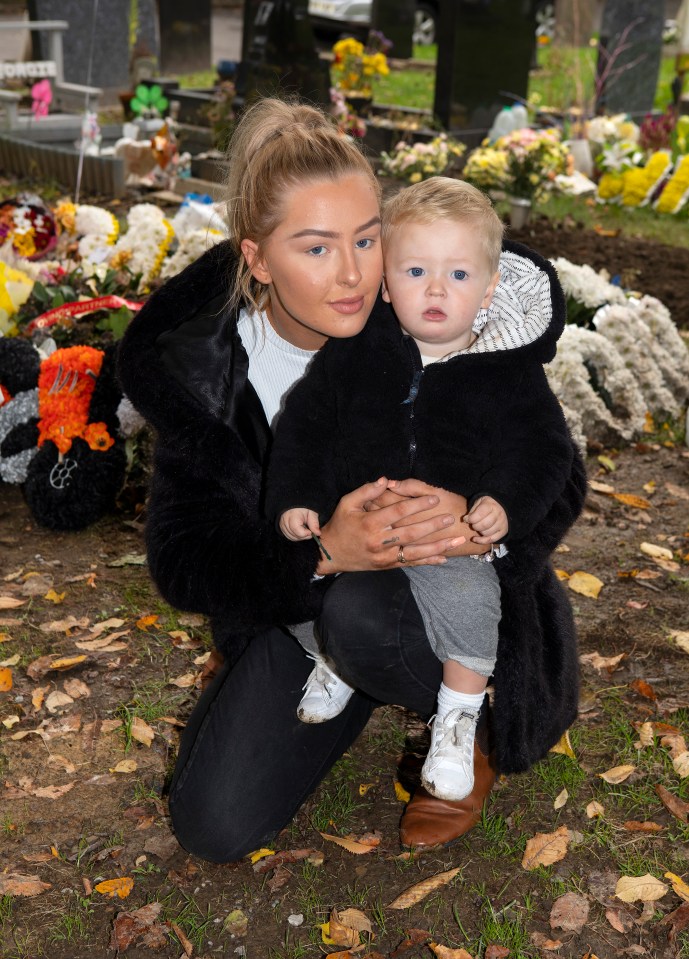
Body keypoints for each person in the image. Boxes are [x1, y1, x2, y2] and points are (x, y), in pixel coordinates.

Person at [117, 97, 586, 863]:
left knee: (368, 617)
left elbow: (557, 469)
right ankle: (334, 671)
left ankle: (467, 723)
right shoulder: (201, 371)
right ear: (257, 258)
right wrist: (321, 553)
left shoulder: (422, 295)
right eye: (315, 248)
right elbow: (183, 559)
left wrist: (476, 520)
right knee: (214, 822)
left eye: (367, 239)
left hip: (449, 586)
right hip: (309, 606)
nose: (353, 273)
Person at [267, 177, 578, 805]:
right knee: (295, 587)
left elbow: (544, 453)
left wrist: (502, 506)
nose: (437, 289)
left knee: (471, 600)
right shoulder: (356, 357)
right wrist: (296, 501)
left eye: (459, 275)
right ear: (387, 284)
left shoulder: (509, 374)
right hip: (362, 530)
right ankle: (332, 661)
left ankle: (459, 718)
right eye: (415, 270)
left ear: (490, 287)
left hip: (446, 544)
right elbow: (307, 429)